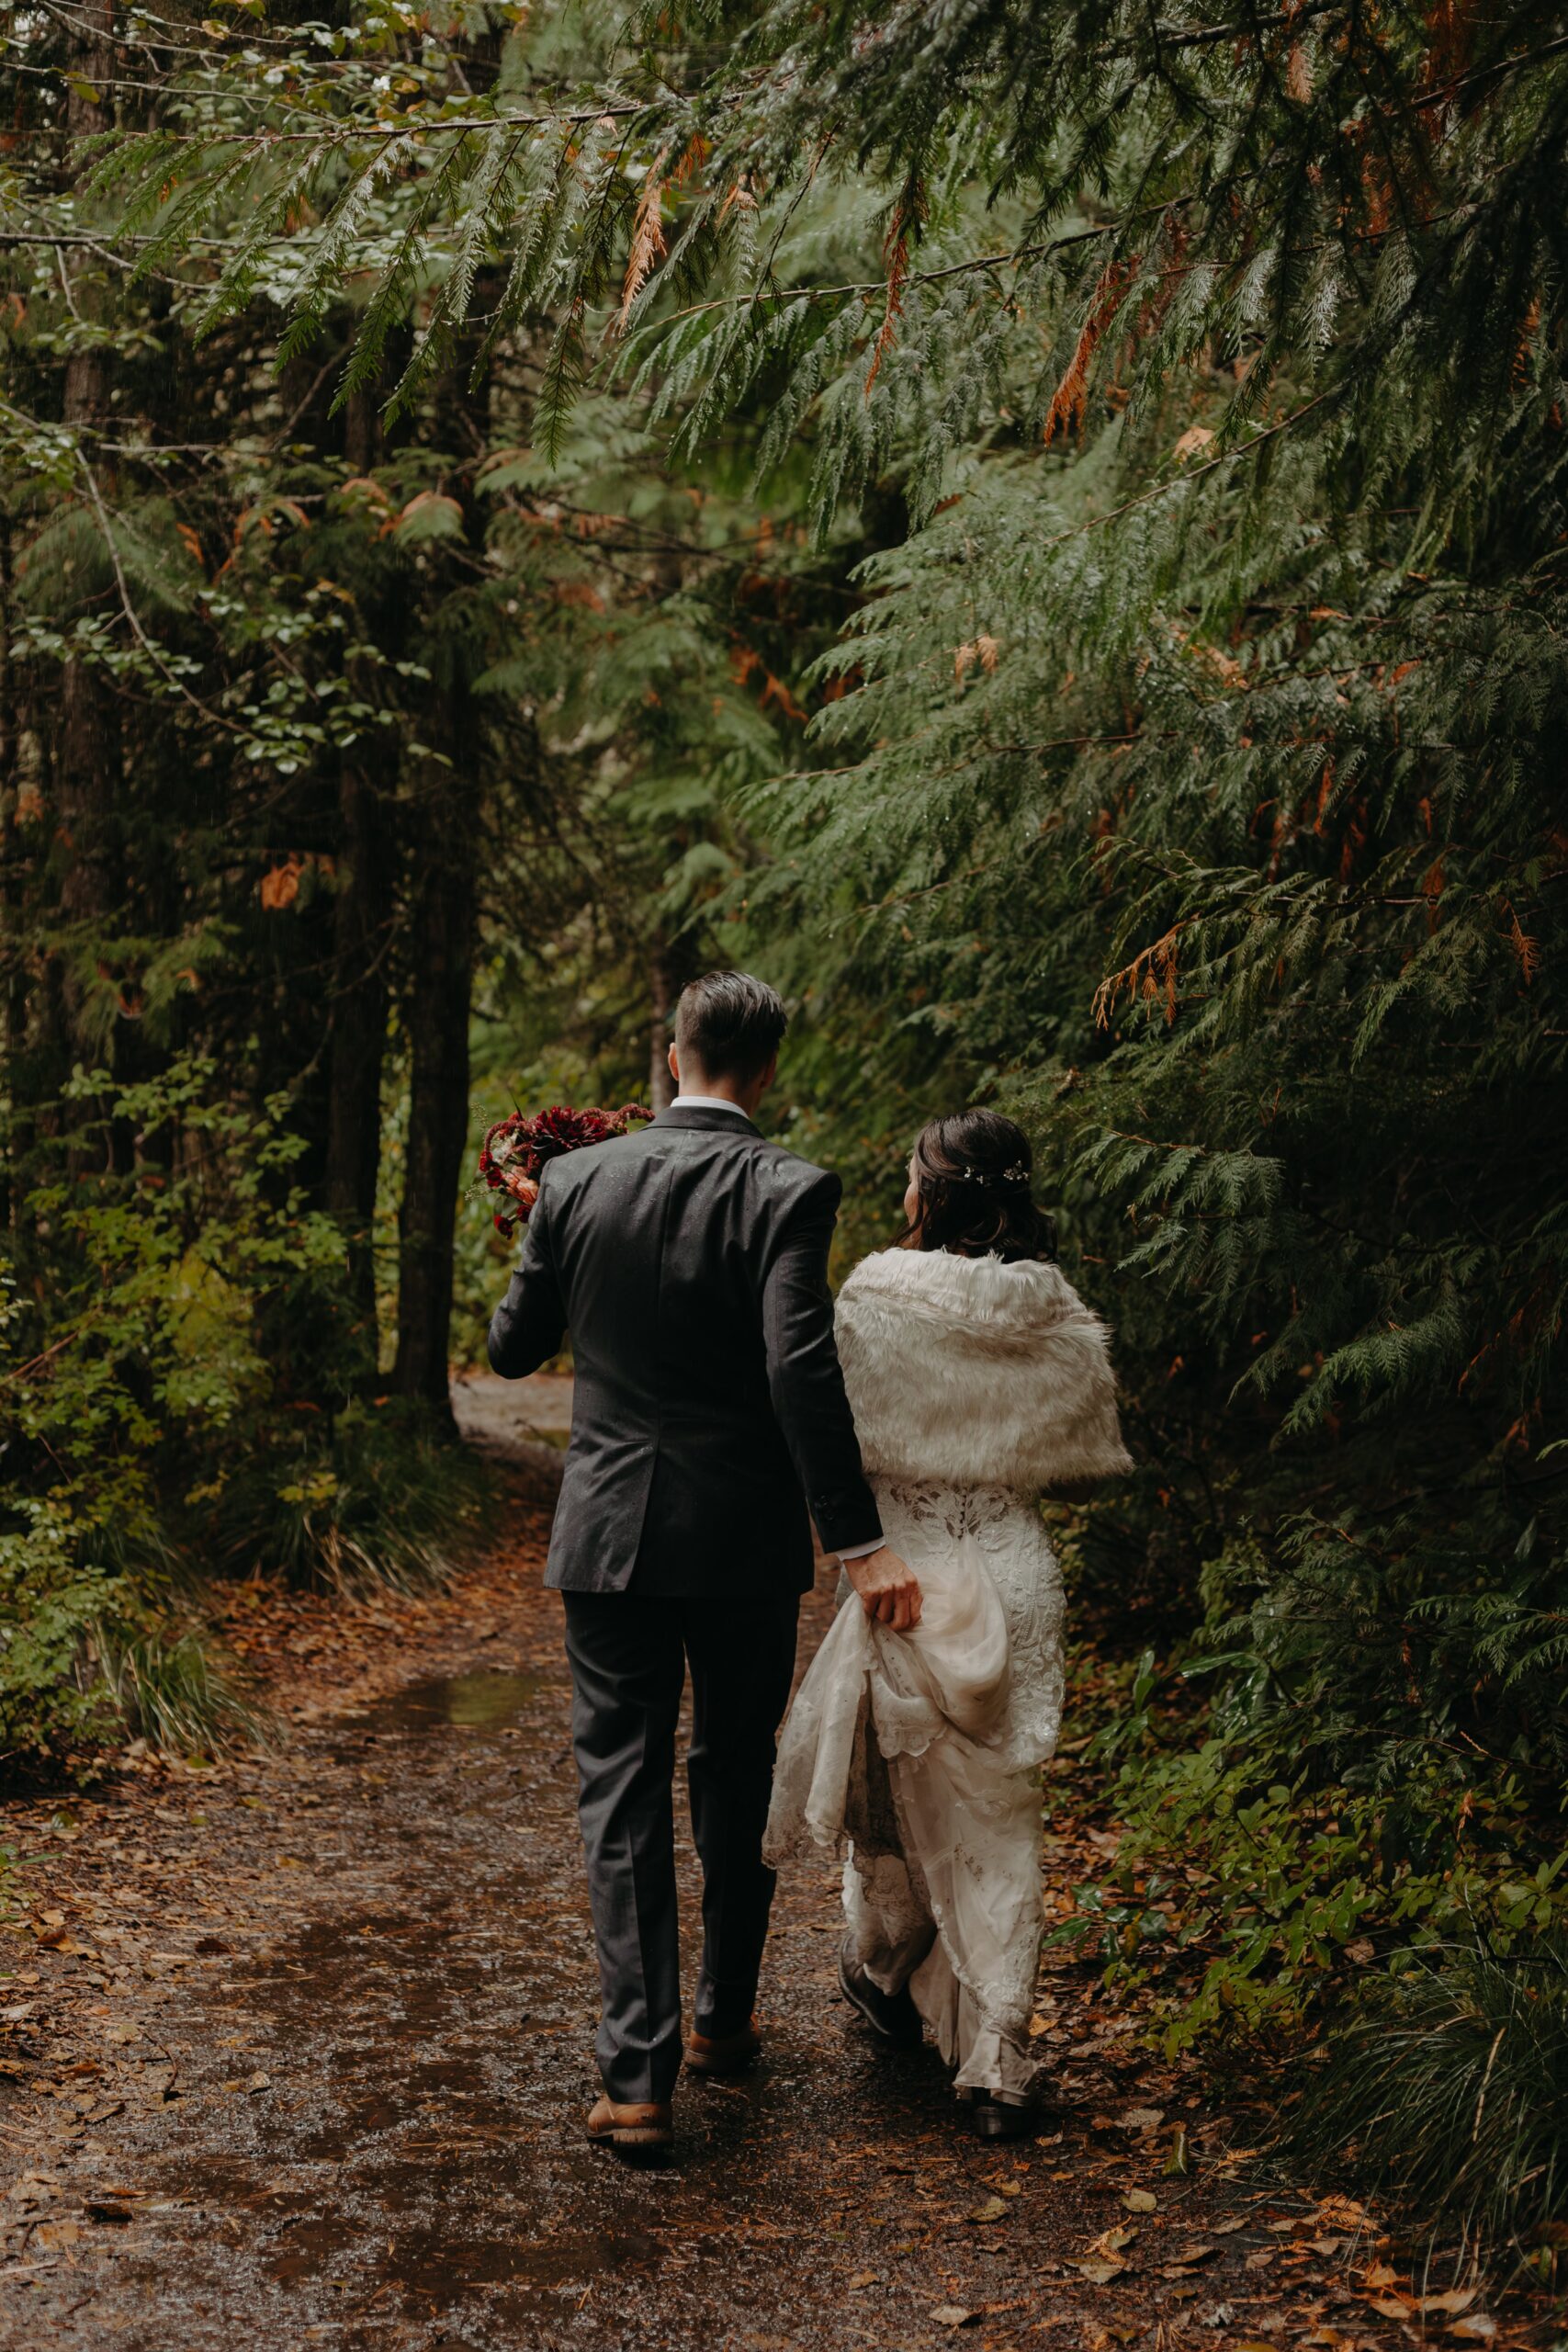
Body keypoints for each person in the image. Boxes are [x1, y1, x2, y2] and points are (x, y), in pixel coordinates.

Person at [486, 971, 920, 2154]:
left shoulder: (576, 1181)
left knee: (618, 1788)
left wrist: (544, 1224)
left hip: (609, 1535)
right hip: (741, 1538)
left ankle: (638, 2078)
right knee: (735, 1769)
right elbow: (797, 1365)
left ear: (672, 1054)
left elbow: (510, 1350)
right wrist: (856, 1536)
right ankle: (726, 2021)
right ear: (766, 1070)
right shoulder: (790, 1186)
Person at [765, 1109, 1132, 2140]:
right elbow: (1074, 1447)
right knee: (1000, 1817)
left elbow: (824, 1428)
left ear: (933, 1195)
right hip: (1012, 1574)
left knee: (899, 1795)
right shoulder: (1056, 1311)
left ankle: (888, 1973)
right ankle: (997, 2054)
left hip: (907, 1578)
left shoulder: (877, 1296)